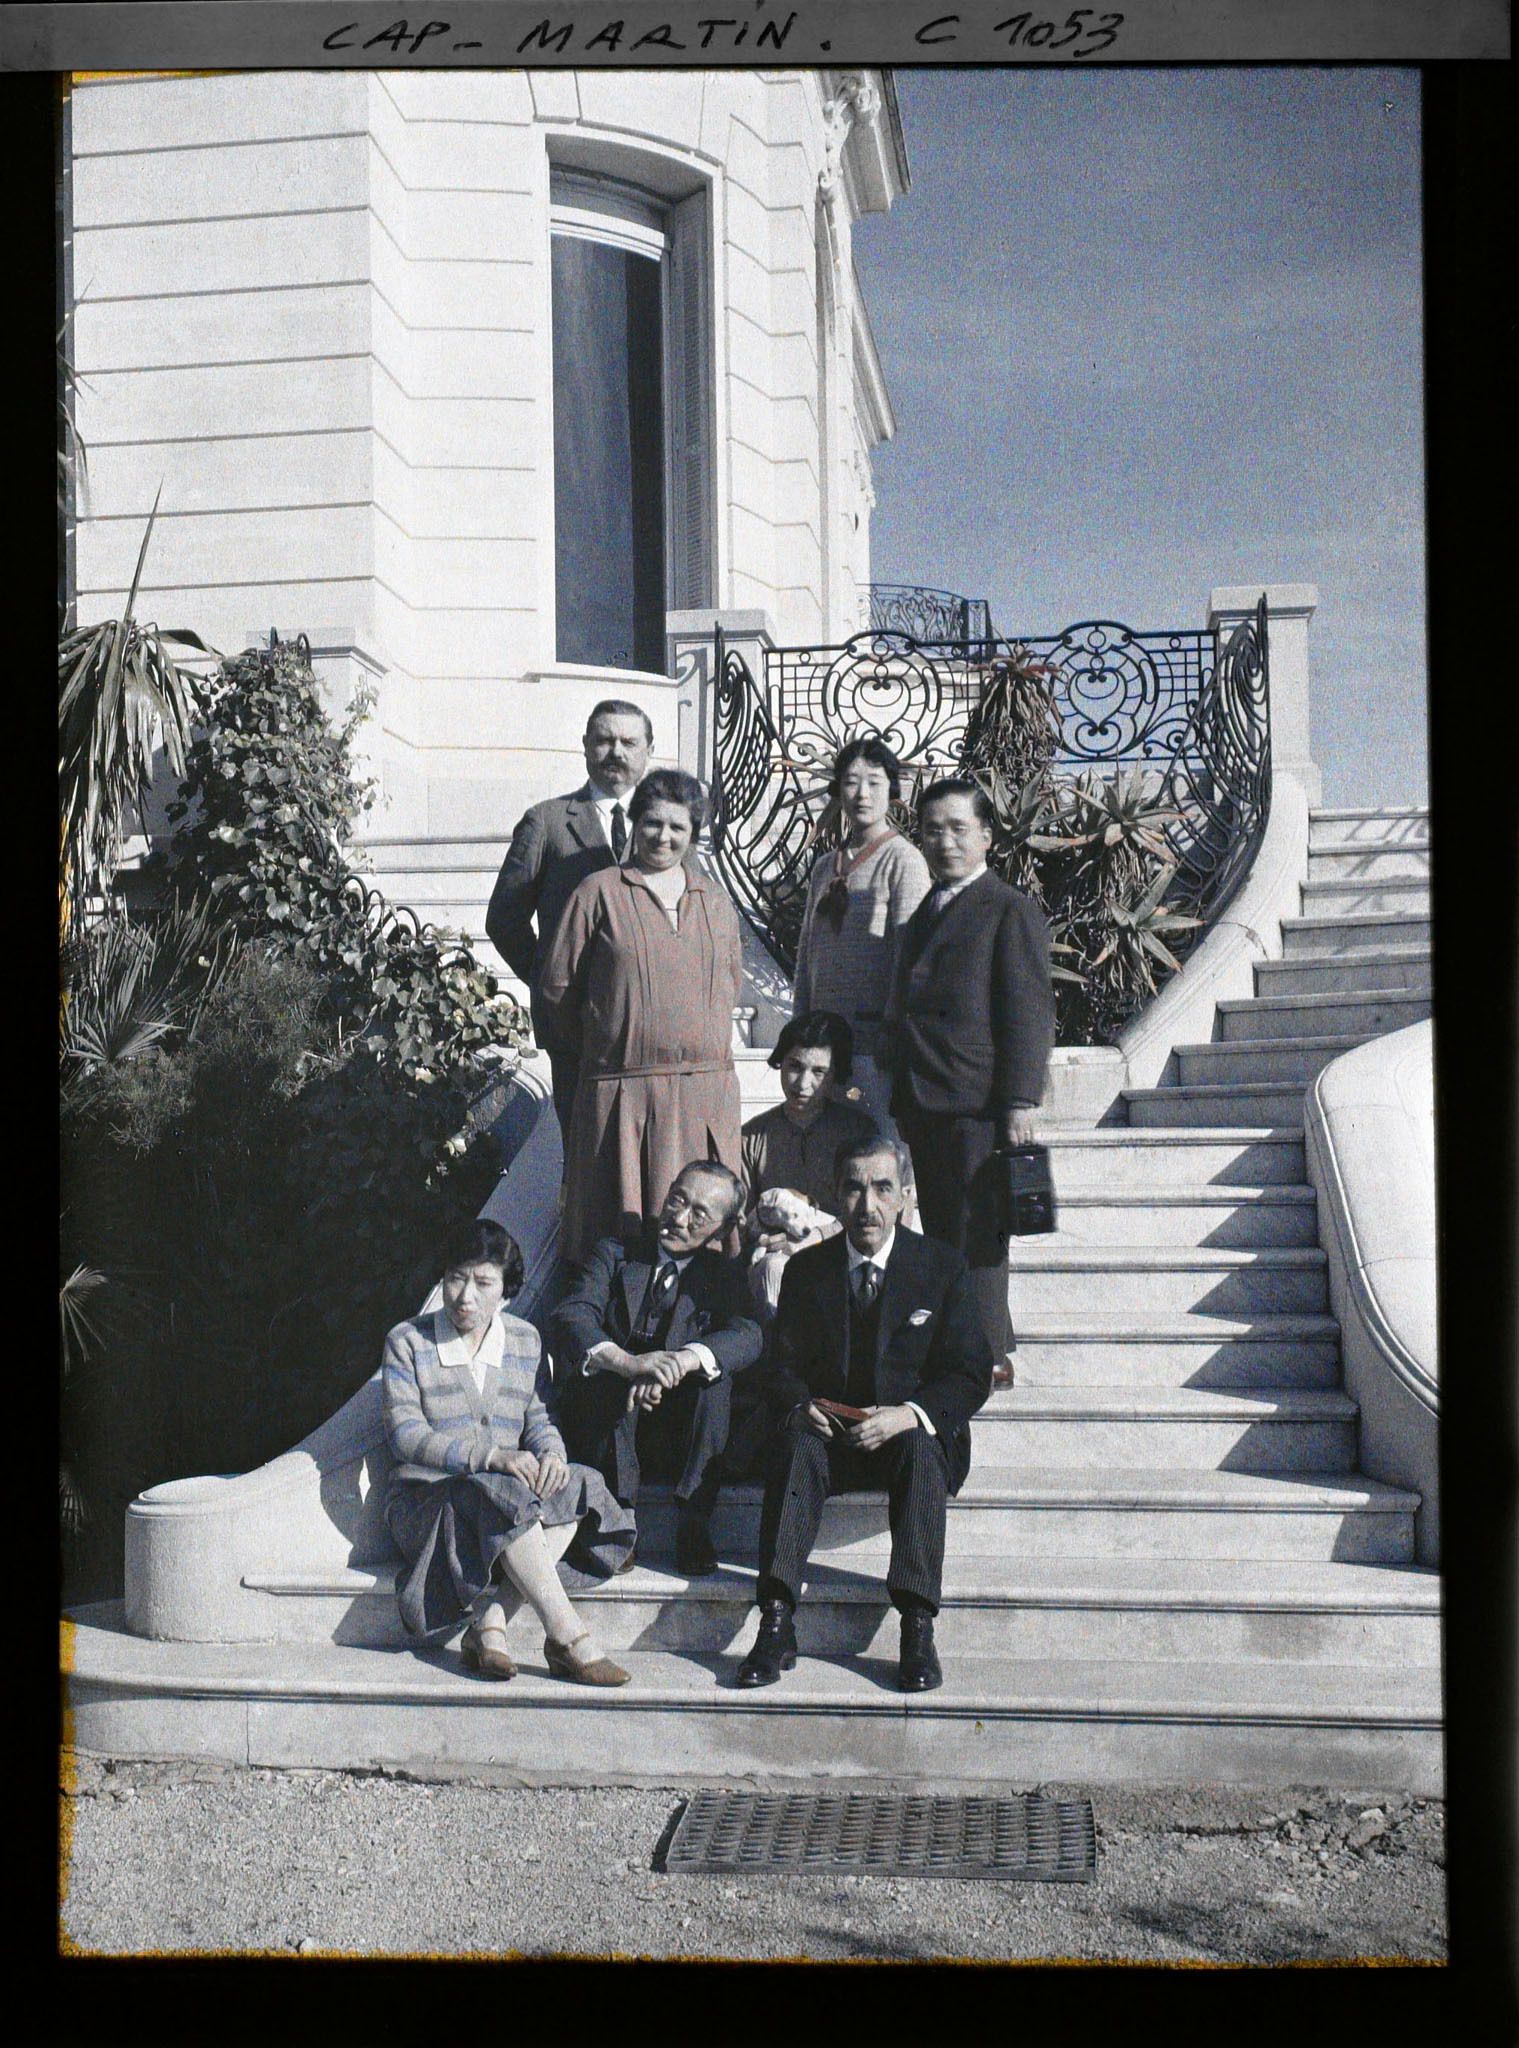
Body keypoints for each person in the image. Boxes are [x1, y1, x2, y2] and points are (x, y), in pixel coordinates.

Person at [734, 1134, 994, 1694]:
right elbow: (781, 1367)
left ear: (905, 1196)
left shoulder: (942, 1266)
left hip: (905, 1435)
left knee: (925, 1449)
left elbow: (971, 1371)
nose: (866, 1205)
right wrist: (803, 1405)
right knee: (795, 1448)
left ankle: (917, 1627)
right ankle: (777, 1621)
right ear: (836, 1193)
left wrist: (910, 1414)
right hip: (832, 1435)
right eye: (853, 1188)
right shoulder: (807, 1270)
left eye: (881, 1189)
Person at [382, 1218, 635, 1687]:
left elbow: (539, 1417)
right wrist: (491, 1458)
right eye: (456, 1278)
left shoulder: (523, 1340)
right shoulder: (408, 1341)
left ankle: (491, 1622)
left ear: (506, 1291)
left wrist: (552, 1456)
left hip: (501, 1503)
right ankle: (567, 1634)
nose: (465, 1296)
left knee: (578, 1482)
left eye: (483, 1283)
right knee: (497, 1490)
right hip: (428, 1504)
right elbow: (405, 1434)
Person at [538, 767, 745, 1269]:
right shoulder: (599, 891)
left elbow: (729, 983)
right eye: (653, 823)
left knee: (703, 1227)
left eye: (678, 827)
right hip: (622, 1094)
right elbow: (556, 989)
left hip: (704, 1097)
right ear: (634, 822)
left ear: (693, 833)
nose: (664, 837)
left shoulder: (715, 901)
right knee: (618, 1232)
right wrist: (612, 1042)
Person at [884, 777, 1054, 1350]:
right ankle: (970, 1344)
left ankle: (987, 1356)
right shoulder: (926, 911)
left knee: (980, 1236)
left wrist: (1019, 1103)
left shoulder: (1008, 909)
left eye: (959, 829)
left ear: (986, 836)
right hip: (925, 1100)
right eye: (932, 831)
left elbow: (1028, 1012)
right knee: (942, 1233)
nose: (945, 842)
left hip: (978, 1105)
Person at [550, 1160, 762, 1577]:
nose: (679, 1218)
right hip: (611, 1425)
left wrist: (680, 1363)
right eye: (677, 1199)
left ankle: (694, 1520)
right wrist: (630, 1364)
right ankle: (617, 1521)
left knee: (715, 1380)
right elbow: (572, 1314)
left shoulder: (722, 1275)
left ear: (720, 1230)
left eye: (699, 1214)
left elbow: (748, 1334)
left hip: (678, 1430)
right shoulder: (615, 1252)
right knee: (603, 1376)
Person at [485, 699, 654, 1131]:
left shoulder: (666, 826)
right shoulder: (547, 821)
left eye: (629, 742)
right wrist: (553, 981)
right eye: (604, 740)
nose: (616, 751)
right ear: (585, 746)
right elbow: (505, 919)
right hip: (576, 1024)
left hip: (650, 1019)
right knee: (582, 1151)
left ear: (648, 751)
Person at [791, 737, 931, 1136]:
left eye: (874, 782)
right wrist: (802, 1031)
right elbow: (806, 955)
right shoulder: (824, 866)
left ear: (892, 789)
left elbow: (910, 958)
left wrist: (893, 1033)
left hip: (875, 1047)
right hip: (824, 1047)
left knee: (878, 1152)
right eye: (851, 782)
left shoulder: (903, 859)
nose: (862, 794)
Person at [739, 1009, 878, 1318]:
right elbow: (742, 1219)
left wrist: (815, 1239)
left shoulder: (857, 1132)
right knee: (773, 1268)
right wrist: (765, 1237)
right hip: (774, 1260)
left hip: (843, 1253)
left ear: (836, 1074)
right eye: (794, 1066)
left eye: (819, 1072)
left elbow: (875, 1212)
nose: (803, 1083)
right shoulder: (752, 1137)